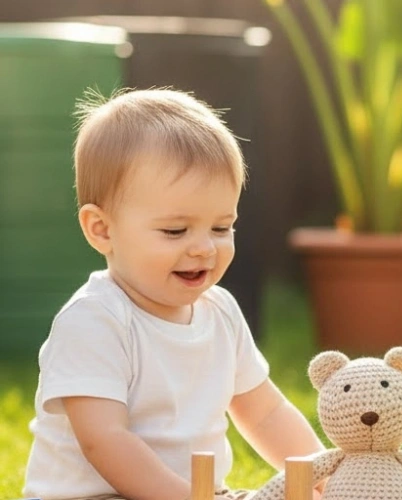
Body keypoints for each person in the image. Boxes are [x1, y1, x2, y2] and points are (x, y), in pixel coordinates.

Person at [23, 89, 326, 500]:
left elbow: (266, 413)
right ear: (102, 229)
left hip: (199, 492)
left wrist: (324, 473)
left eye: (221, 227)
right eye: (175, 231)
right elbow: (105, 440)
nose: (204, 247)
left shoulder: (221, 312)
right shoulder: (96, 320)